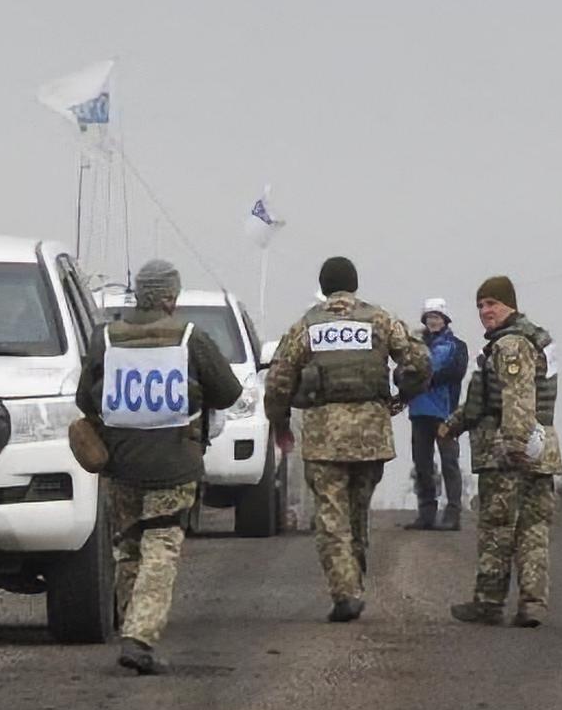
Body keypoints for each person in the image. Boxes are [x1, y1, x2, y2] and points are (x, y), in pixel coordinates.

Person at [76, 259, 241, 673]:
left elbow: (85, 400)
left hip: (121, 463)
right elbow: (228, 392)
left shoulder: (105, 339)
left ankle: (132, 623)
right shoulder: (189, 337)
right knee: (161, 548)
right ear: (170, 298)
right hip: (174, 463)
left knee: (128, 546)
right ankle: (139, 636)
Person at [264, 256, 431, 623]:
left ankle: (345, 591)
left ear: (324, 287)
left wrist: (280, 423)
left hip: (325, 434)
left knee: (331, 515)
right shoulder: (380, 320)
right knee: (357, 511)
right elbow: (418, 361)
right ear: (353, 285)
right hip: (372, 433)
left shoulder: (306, 326)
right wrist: (403, 397)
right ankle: (354, 578)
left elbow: (278, 379)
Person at [441, 276, 562, 628]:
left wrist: (513, 444)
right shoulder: (532, 340)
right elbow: (485, 399)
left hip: (509, 452)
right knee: (533, 529)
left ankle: (489, 603)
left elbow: (517, 398)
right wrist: (454, 423)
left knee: (498, 529)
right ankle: (533, 604)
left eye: (491, 304)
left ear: (510, 304)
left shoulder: (510, 345)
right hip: (542, 450)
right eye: (480, 305)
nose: (484, 312)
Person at [404, 297, 468, 531]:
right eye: (429, 317)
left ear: (445, 319)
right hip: (419, 412)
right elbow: (400, 374)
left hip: (445, 414)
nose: (433, 321)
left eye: (437, 316)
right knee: (422, 465)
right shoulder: (413, 346)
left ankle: (453, 514)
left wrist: (421, 379)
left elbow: (455, 372)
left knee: (449, 462)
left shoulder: (457, 346)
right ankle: (426, 514)